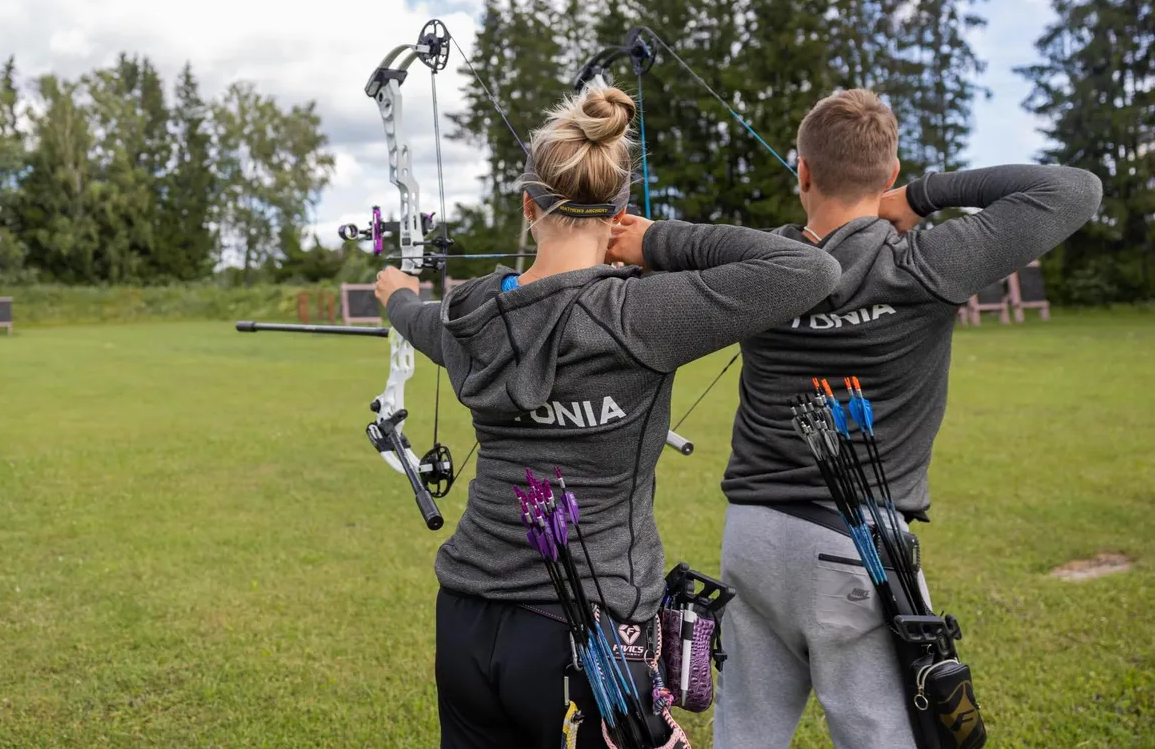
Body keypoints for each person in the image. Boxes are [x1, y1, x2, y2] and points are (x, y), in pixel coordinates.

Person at [372, 84, 842, 749]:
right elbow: (809, 268)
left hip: (467, 617)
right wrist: (656, 242)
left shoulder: (472, 314)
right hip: (585, 633)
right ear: (619, 212)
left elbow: (417, 318)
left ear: (529, 206)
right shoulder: (640, 314)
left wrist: (395, 295)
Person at [705, 89, 1104, 749]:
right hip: (856, 550)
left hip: (750, 534)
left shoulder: (762, 264)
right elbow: (1073, 190)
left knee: (745, 729)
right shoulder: (926, 261)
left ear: (802, 171)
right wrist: (921, 196)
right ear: (887, 175)